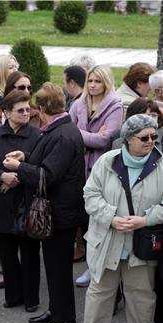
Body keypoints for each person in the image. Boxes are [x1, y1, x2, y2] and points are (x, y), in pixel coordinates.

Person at [3, 82, 85, 323]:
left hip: (61, 213)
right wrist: (25, 157)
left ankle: (65, 317)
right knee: (52, 264)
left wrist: (19, 168)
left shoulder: (63, 134)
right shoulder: (57, 129)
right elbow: (45, 159)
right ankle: (55, 310)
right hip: (55, 210)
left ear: (42, 108)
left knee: (59, 267)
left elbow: (48, 174)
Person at [81, 114, 163, 323]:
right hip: (106, 242)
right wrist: (111, 218)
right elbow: (90, 195)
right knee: (99, 297)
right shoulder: (107, 161)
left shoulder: (162, 164)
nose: (151, 141)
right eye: (144, 137)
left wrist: (145, 220)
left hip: (142, 246)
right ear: (128, 138)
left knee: (141, 299)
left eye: (154, 136)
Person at [0, 90, 41, 313]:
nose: (25, 113)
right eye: (20, 110)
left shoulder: (37, 135)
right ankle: (13, 295)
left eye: (27, 110)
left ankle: (31, 298)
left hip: (27, 202)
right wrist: (1, 176)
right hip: (1, 203)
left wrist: (18, 177)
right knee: (7, 254)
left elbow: (42, 167)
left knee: (30, 254)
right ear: (6, 112)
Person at [69, 65, 124, 287]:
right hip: (78, 168)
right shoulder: (78, 104)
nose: (92, 85)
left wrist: (82, 135)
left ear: (106, 83)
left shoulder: (115, 106)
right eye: (90, 81)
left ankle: (96, 270)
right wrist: (90, 135)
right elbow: (69, 133)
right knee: (83, 221)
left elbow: (105, 140)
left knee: (98, 222)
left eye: (97, 81)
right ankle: (90, 264)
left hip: (103, 170)